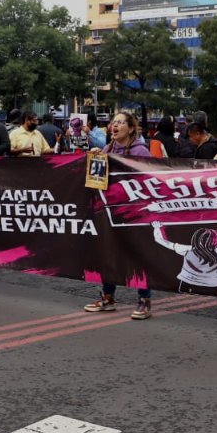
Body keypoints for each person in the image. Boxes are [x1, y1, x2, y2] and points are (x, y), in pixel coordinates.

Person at [84, 111, 155, 319]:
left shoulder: (140, 150)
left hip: (135, 212)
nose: (114, 126)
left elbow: (149, 178)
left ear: (131, 128)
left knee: (138, 255)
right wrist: (96, 157)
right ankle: (107, 297)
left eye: (120, 123)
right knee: (109, 254)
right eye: (113, 122)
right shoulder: (107, 148)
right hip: (111, 210)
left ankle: (144, 300)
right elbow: (96, 180)